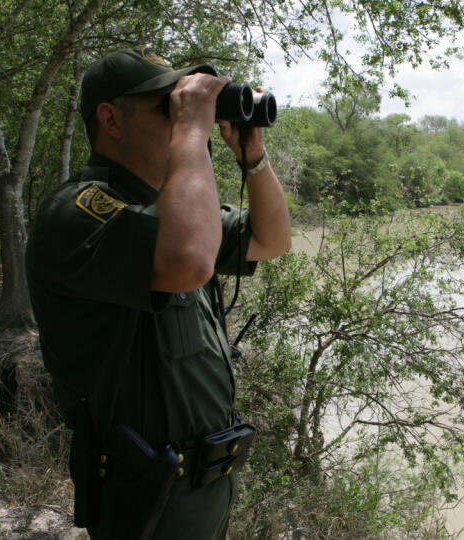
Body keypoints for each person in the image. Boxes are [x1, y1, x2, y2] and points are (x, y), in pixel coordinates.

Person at [25, 45, 291, 539]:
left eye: (184, 108)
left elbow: (270, 240)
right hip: (146, 493)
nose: (187, 118)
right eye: (167, 107)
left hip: (206, 483)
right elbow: (188, 260)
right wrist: (191, 129)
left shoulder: (175, 210)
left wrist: (252, 156)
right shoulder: (76, 210)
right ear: (111, 119)